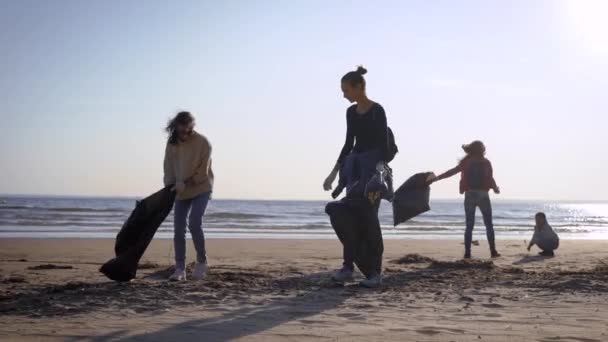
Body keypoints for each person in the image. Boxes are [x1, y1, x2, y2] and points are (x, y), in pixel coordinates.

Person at [323, 66, 390, 288]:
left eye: (346, 90)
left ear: (359, 86)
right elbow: (348, 144)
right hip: (353, 173)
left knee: (370, 220)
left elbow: (385, 146)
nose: (344, 95)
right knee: (345, 216)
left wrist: (378, 178)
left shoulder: (377, 111)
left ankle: (375, 273)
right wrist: (333, 174)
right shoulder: (351, 113)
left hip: (373, 174)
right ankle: (348, 268)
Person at [163, 111, 214, 281]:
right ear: (176, 126)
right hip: (180, 190)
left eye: (189, 127)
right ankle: (180, 269)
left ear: (192, 126)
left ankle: (201, 262)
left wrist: (187, 182)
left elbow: (203, 171)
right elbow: (168, 166)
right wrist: (170, 185)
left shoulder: (203, 143)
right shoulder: (172, 144)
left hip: (201, 187)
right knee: (178, 229)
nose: (186, 131)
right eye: (182, 127)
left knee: (194, 222)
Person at [430, 140, 501, 259]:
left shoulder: (467, 162)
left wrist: (438, 178)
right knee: (489, 225)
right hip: (483, 195)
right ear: (482, 150)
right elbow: (490, 178)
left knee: (469, 225)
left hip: (470, 194)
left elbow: (452, 172)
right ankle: (493, 251)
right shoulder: (486, 162)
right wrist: (495, 188)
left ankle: (467, 252)